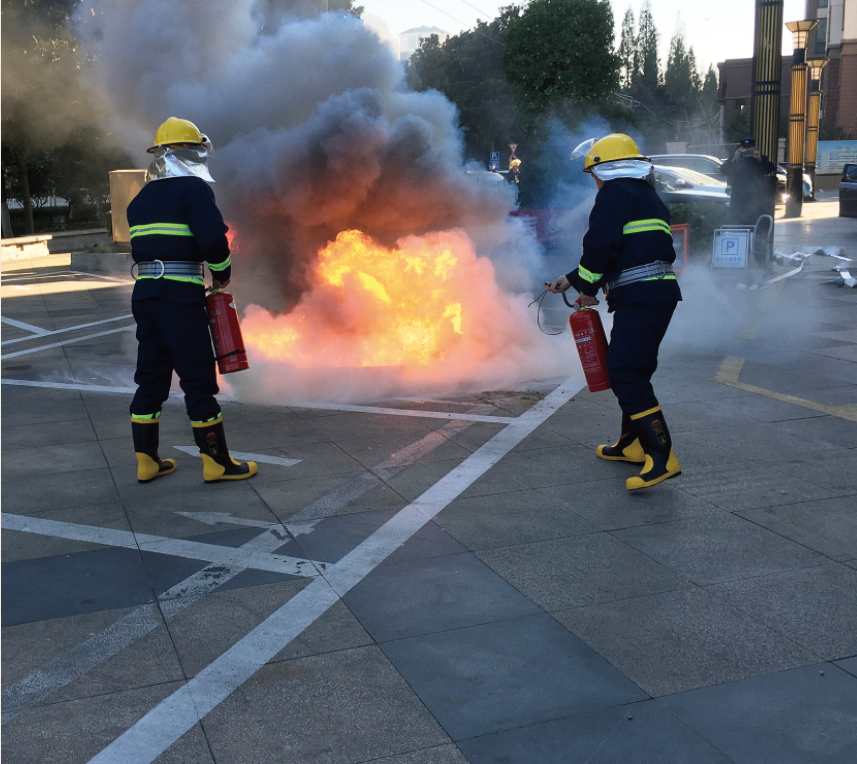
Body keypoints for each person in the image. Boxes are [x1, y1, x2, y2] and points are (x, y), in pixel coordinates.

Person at [548, 134, 682, 490]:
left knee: (624, 371)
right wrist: (573, 278)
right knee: (632, 368)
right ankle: (632, 444)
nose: (593, 180)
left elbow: (600, 246)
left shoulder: (613, 193)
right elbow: (628, 249)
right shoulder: (643, 194)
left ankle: (661, 455)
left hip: (641, 296)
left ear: (605, 169)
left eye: (594, 173)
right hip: (652, 293)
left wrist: (586, 288)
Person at [128, 117, 257, 484]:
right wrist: (222, 273)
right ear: (190, 152)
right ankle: (216, 463)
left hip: (146, 294)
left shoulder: (140, 199)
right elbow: (213, 240)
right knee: (198, 379)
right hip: (179, 297)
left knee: (151, 377)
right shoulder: (193, 189)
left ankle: (147, 461)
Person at [719, 137, 777, 226]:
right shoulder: (736, 160)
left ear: (754, 148)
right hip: (739, 197)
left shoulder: (759, 159)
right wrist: (735, 157)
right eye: (744, 148)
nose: (747, 150)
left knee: (754, 221)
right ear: (740, 149)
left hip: (755, 198)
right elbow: (724, 170)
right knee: (738, 222)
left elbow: (770, 169)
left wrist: (759, 159)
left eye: (749, 148)